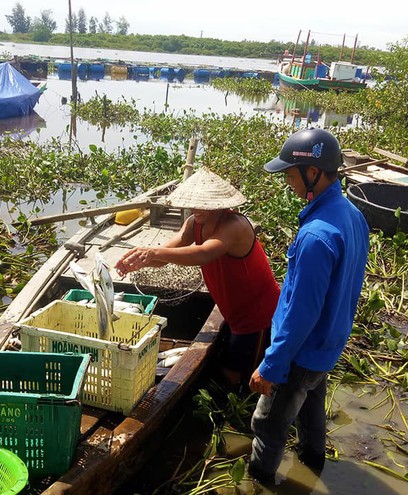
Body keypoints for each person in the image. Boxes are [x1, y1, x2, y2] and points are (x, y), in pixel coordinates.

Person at [248, 128, 369, 483]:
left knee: (268, 426)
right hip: (327, 346)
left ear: (312, 172)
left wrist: (271, 365)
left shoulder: (316, 235)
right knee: (312, 410)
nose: (289, 183)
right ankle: (313, 466)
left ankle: (259, 483)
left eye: (290, 174)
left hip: (300, 353)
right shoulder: (351, 214)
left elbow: (302, 312)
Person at [115, 167, 280, 387]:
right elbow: (167, 254)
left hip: (257, 314)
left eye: (203, 204)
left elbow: (204, 253)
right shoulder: (195, 223)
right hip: (232, 311)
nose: (196, 208)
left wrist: (152, 253)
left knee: (239, 376)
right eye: (193, 203)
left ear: (218, 204)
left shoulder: (234, 225)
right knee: (231, 371)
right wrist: (138, 260)